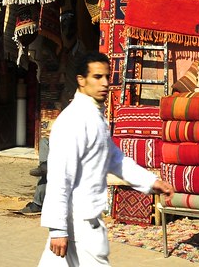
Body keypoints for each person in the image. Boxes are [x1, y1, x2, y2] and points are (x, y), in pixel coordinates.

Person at [39, 51, 173, 266]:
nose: (105, 83)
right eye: (97, 77)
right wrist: (57, 229)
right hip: (78, 226)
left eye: (107, 77)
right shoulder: (73, 121)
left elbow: (115, 159)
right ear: (81, 80)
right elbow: (60, 177)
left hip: (86, 223)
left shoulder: (94, 116)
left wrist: (150, 182)